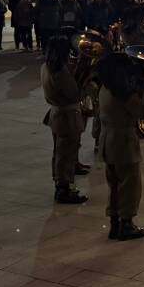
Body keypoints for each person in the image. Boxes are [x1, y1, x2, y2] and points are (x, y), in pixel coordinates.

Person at [96, 52, 144, 240]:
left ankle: (115, 222)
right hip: (123, 140)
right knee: (129, 184)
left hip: (107, 139)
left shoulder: (105, 87)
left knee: (114, 184)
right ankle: (126, 224)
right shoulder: (123, 94)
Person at [41, 36, 87, 205]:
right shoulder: (59, 71)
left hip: (56, 113)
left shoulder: (46, 66)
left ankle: (61, 182)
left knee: (59, 151)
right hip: (67, 115)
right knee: (65, 153)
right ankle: (63, 188)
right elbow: (74, 93)